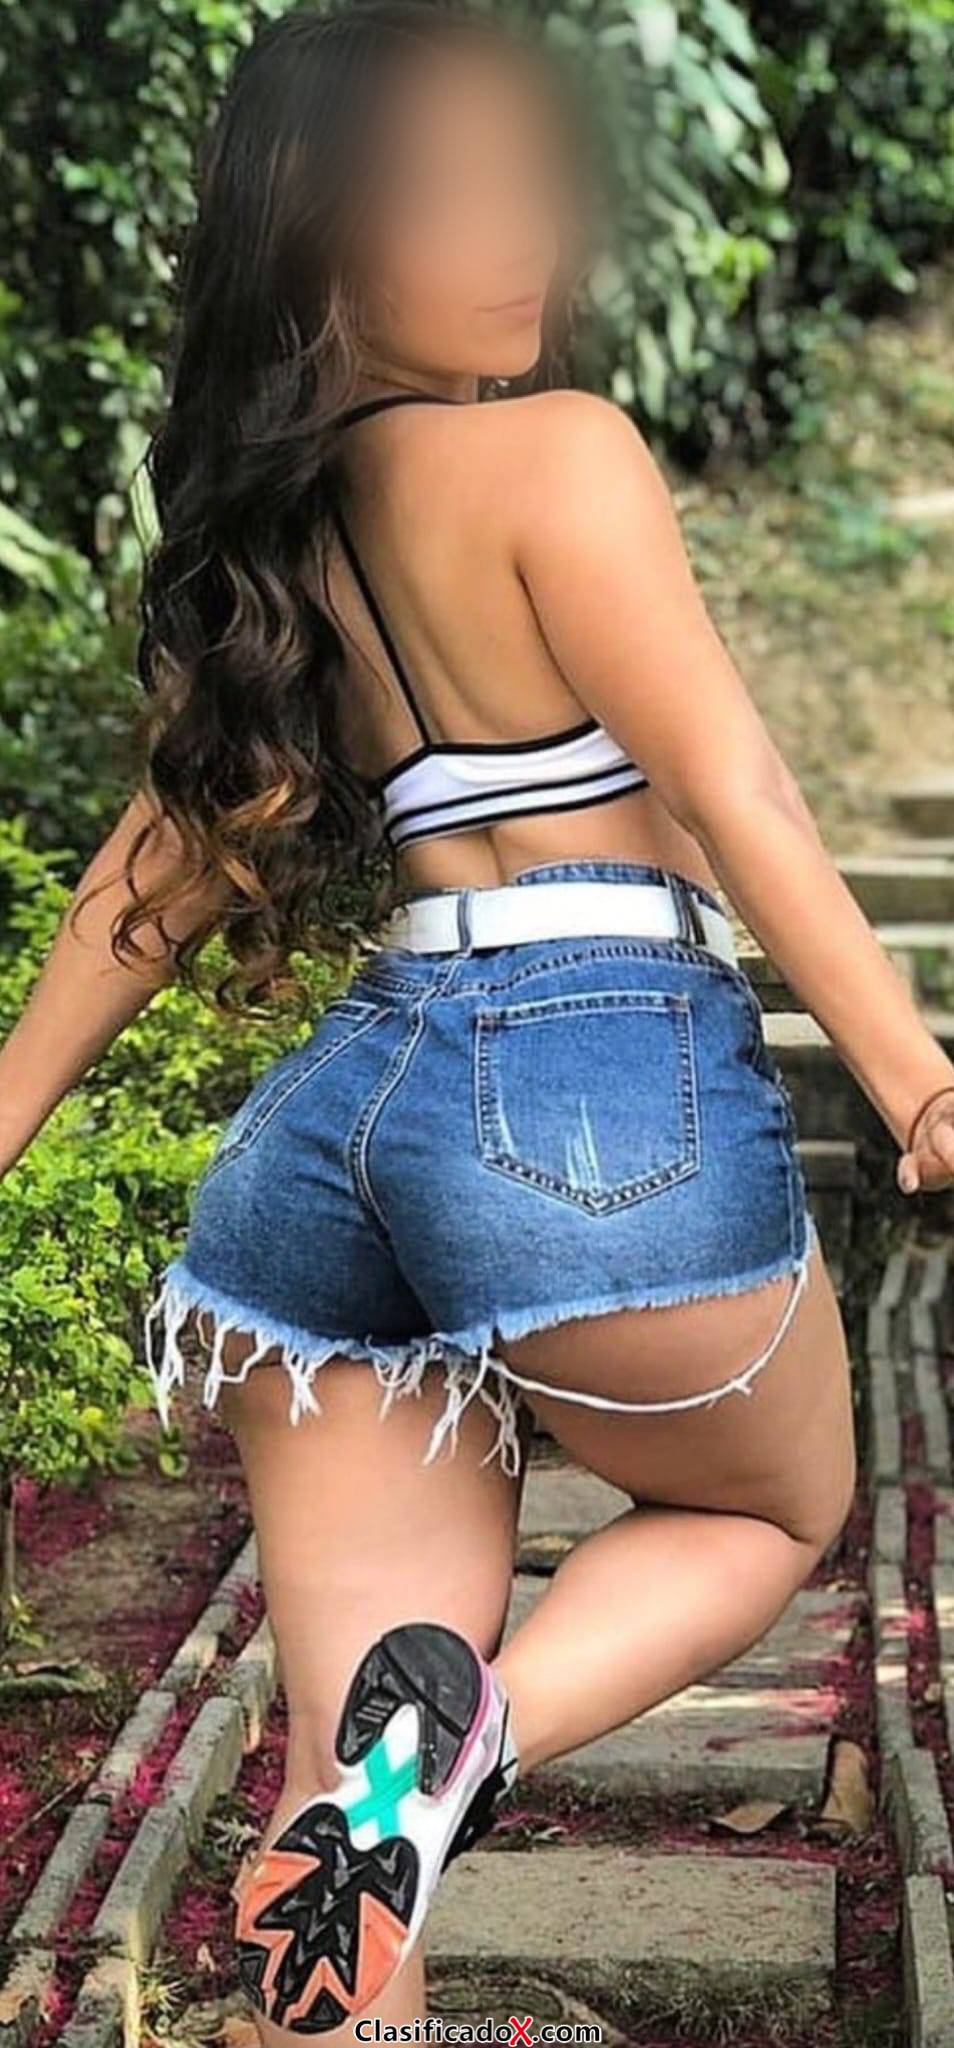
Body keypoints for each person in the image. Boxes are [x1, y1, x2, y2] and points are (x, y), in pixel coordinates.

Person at [3, 4, 953, 2040]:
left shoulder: (288, 539)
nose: (521, 235)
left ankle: (377, 1817)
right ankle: (450, 1763)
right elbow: (730, 784)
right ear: (317, 239)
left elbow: (156, 872)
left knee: (335, 1757)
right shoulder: (559, 450)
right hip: (593, 1091)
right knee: (772, 1506)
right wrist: (913, 1077)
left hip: (338, 1141)